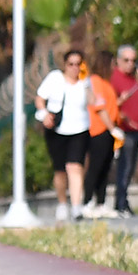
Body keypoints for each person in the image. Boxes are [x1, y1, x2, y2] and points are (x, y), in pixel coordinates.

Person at [35, 50, 94, 219]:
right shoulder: (55, 78)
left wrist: (86, 82)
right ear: (65, 65)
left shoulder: (85, 82)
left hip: (80, 129)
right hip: (57, 129)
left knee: (75, 166)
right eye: (71, 64)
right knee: (60, 170)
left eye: (78, 64)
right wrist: (45, 113)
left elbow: (92, 102)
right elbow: (39, 98)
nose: (75, 68)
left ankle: (76, 205)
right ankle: (62, 203)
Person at [108, 44, 138, 214]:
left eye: (133, 60)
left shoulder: (135, 79)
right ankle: (120, 202)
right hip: (121, 128)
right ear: (118, 60)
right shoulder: (114, 78)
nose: (130, 64)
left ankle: (123, 200)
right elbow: (109, 104)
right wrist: (121, 105)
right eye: (126, 60)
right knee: (124, 165)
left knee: (130, 165)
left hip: (136, 128)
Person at [80, 61, 121, 218]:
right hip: (99, 130)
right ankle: (87, 201)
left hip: (109, 131)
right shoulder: (95, 81)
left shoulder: (106, 83)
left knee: (105, 169)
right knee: (95, 168)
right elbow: (99, 107)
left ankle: (101, 203)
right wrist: (112, 128)